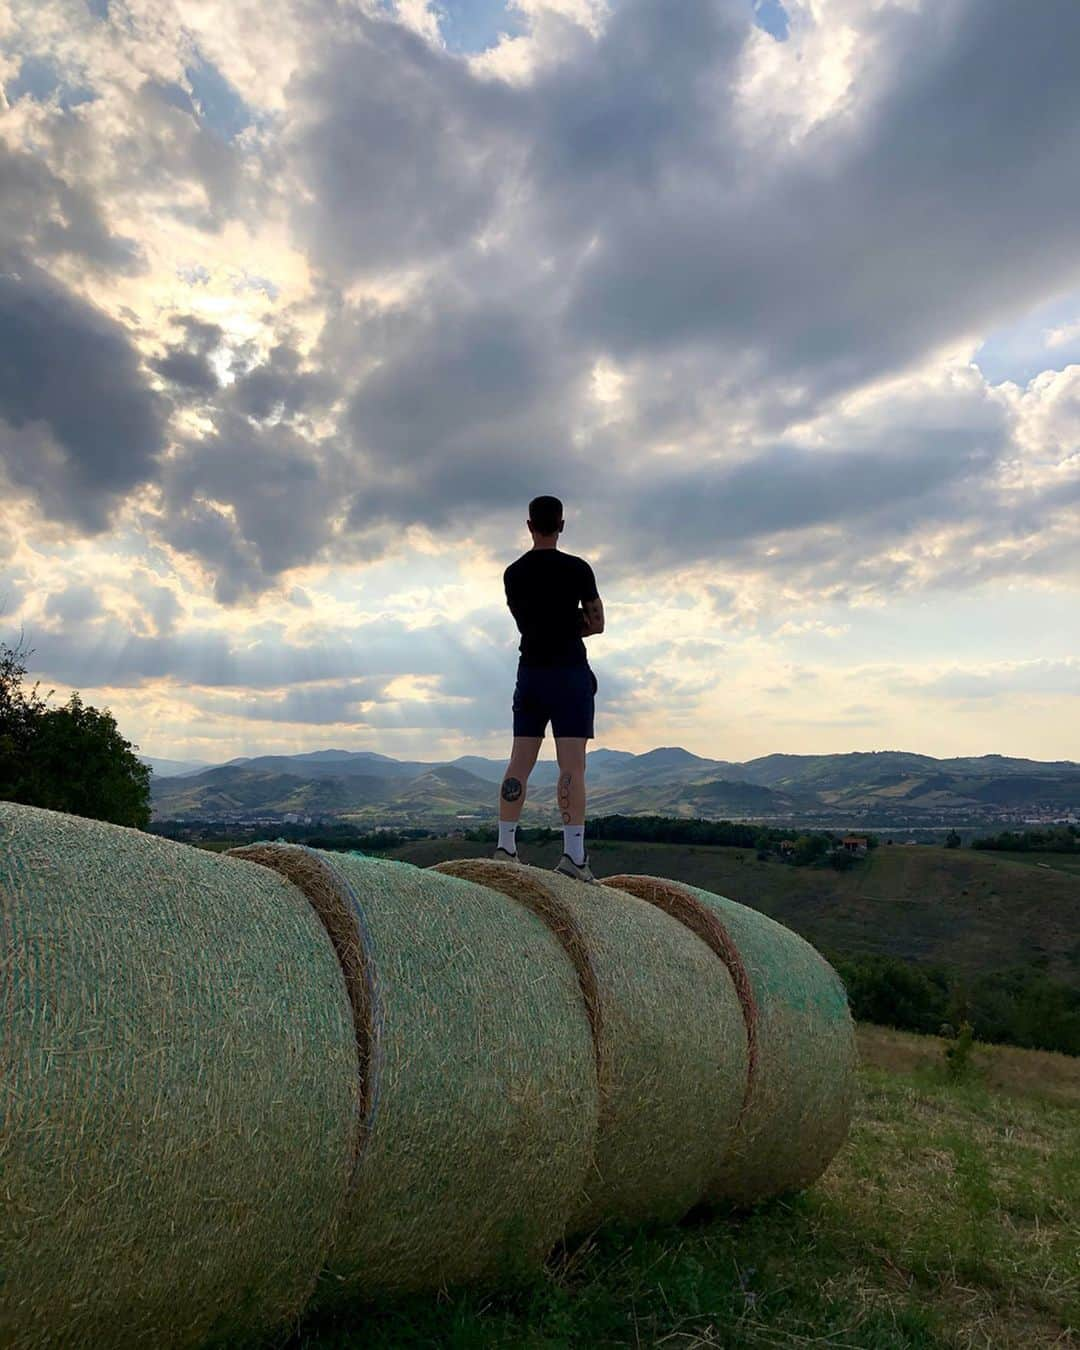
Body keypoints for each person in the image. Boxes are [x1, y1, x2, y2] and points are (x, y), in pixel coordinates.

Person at [495, 495, 605, 882]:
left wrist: (547, 623)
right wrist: (569, 622)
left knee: (518, 761)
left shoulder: (513, 573)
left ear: (529, 525)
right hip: (570, 672)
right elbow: (598, 623)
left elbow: (525, 621)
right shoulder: (578, 569)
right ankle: (573, 856)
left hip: (531, 673)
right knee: (571, 765)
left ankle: (505, 847)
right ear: (562, 524)